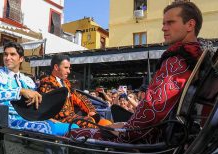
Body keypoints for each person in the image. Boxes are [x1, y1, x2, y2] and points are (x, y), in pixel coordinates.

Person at [67, 1, 204, 143]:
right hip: (171, 138)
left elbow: (153, 109)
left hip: (149, 142)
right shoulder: (196, 56)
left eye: (170, 22)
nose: (164, 28)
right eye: (163, 23)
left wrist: (124, 131)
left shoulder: (178, 60)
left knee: (72, 133)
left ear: (190, 25)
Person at [0, 42, 78, 136]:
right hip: (8, 120)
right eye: (5, 54)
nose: (7, 58)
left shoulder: (28, 81)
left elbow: (35, 104)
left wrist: (45, 116)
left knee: (74, 126)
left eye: (12, 54)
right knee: (46, 127)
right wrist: (20, 91)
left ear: (21, 59)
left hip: (31, 118)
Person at [39, 54, 112, 128]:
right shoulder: (47, 83)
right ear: (56, 67)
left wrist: (90, 110)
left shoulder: (66, 83)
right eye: (66, 68)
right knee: (90, 123)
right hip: (59, 120)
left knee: (106, 123)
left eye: (69, 68)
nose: (69, 71)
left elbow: (79, 98)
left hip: (72, 117)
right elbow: (52, 109)